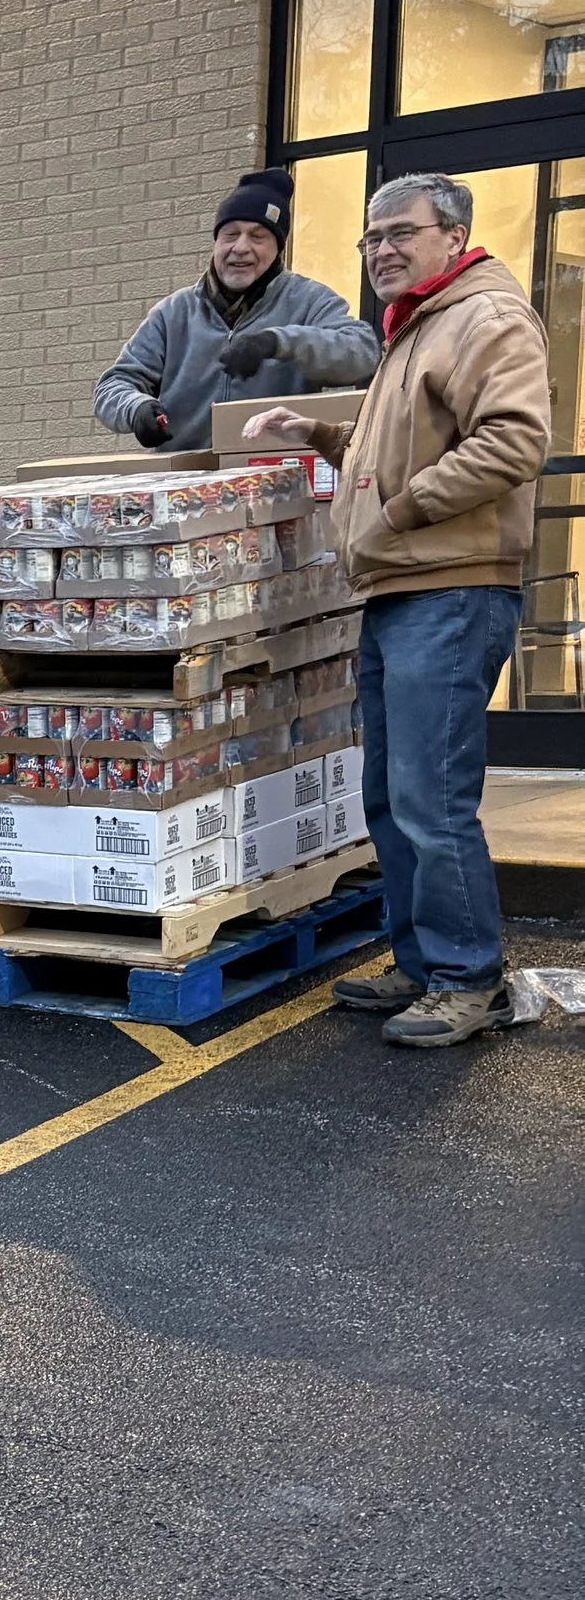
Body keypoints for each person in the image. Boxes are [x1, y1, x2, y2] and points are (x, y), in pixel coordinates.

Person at [244, 173, 551, 1049]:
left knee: (430, 797)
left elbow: (514, 440)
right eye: (371, 237)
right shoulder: (415, 326)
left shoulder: (485, 317)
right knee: (388, 795)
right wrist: (320, 435)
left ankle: (468, 979)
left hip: (450, 589)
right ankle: (423, 965)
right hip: (400, 588)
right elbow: (393, 450)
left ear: (453, 235)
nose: (381, 249)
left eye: (400, 233)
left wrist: (402, 511)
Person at [96, 168, 378, 450]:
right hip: (184, 472)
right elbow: (113, 384)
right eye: (230, 235)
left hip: (275, 469)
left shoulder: (310, 301)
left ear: (277, 249)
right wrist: (136, 408)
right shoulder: (173, 313)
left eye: (258, 236)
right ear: (216, 244)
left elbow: (362, 352)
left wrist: (278, 342)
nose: (241, 247)